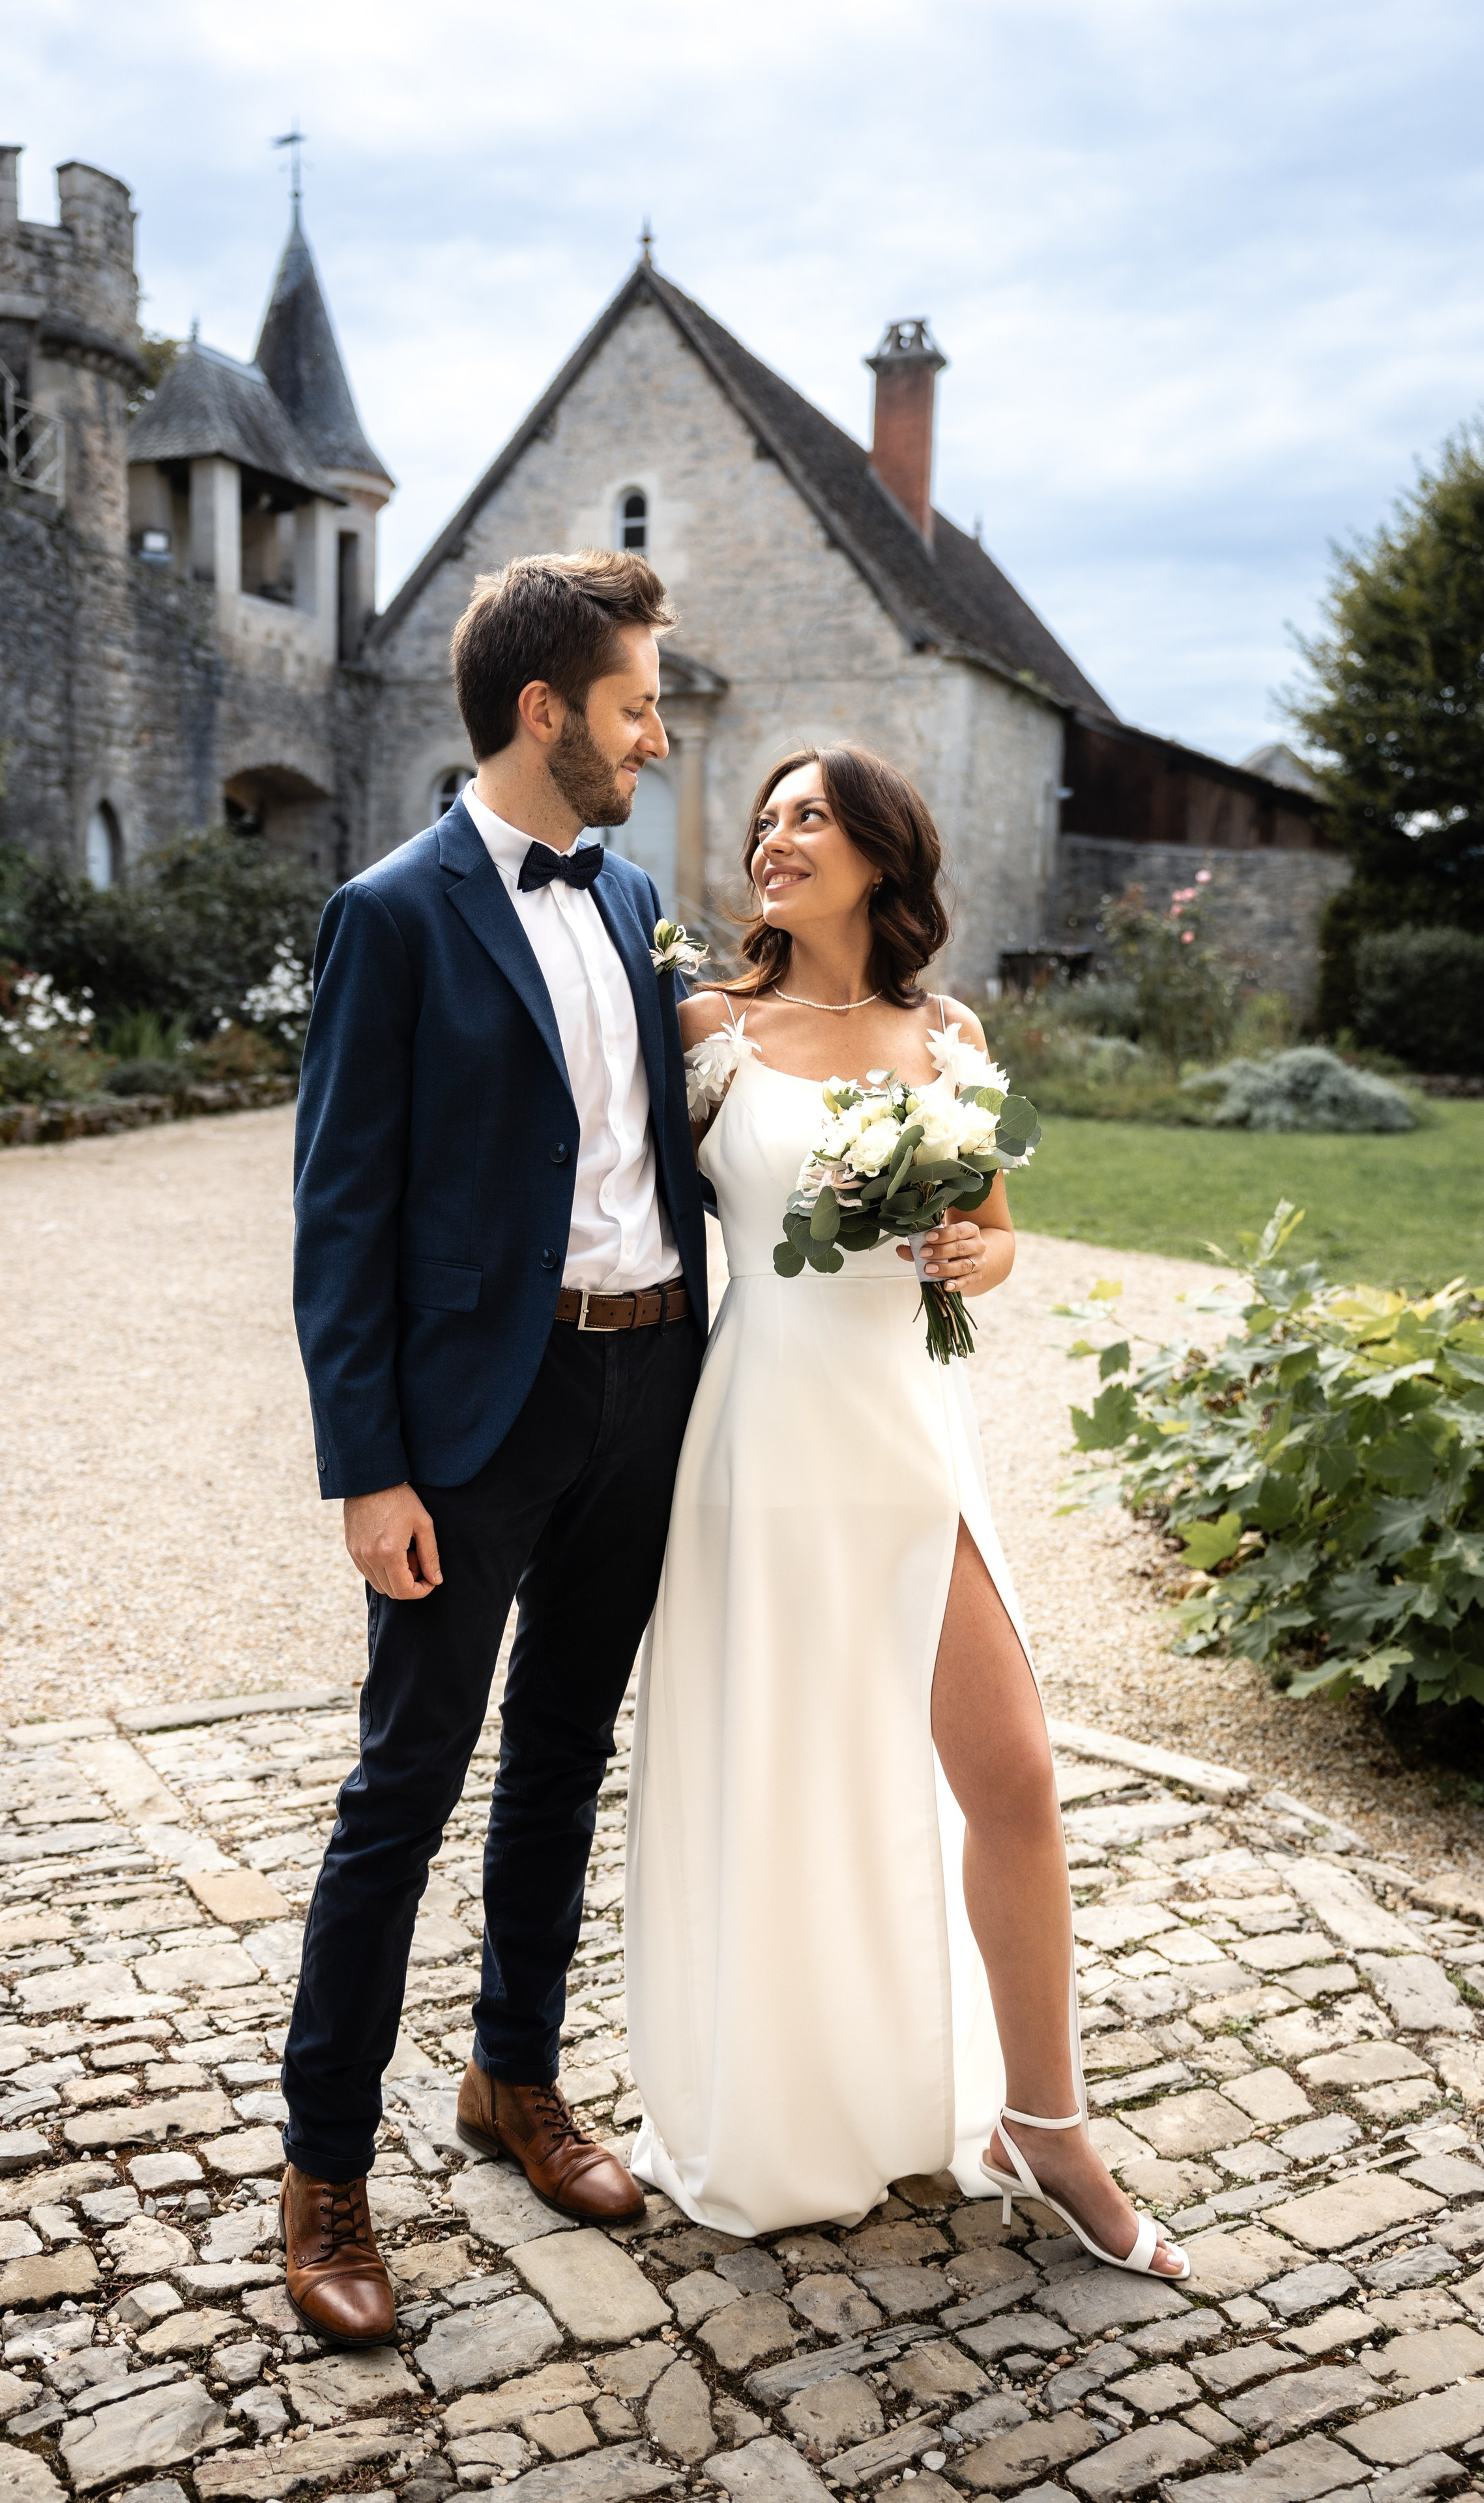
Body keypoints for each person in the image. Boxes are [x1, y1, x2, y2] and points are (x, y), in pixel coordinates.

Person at [624, 745, 1188, 2277]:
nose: (773, 837)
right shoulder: (705, 1028)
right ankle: (788, 2098)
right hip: (762, 1434)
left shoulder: (947, 1034)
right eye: (765, 819)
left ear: (879, 853)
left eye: (807, 816)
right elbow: (623, 1219)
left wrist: (965, 1258)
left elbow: (999, 1237)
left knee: (1009, 1770)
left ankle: (1043, 2122)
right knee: (781, 1774)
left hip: (910, 1428)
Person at [282, 550, 708, 2345]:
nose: (657, 735)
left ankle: (514, 2078)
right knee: (406, 1790)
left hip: (643, 1392)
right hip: (475, 1419)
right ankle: (324, 2179)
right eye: (634, 707)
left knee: (561, 1759)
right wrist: (370, 1469)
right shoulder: (390, 914)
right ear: (547, 714)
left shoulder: (632, 903)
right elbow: (340, 1218)